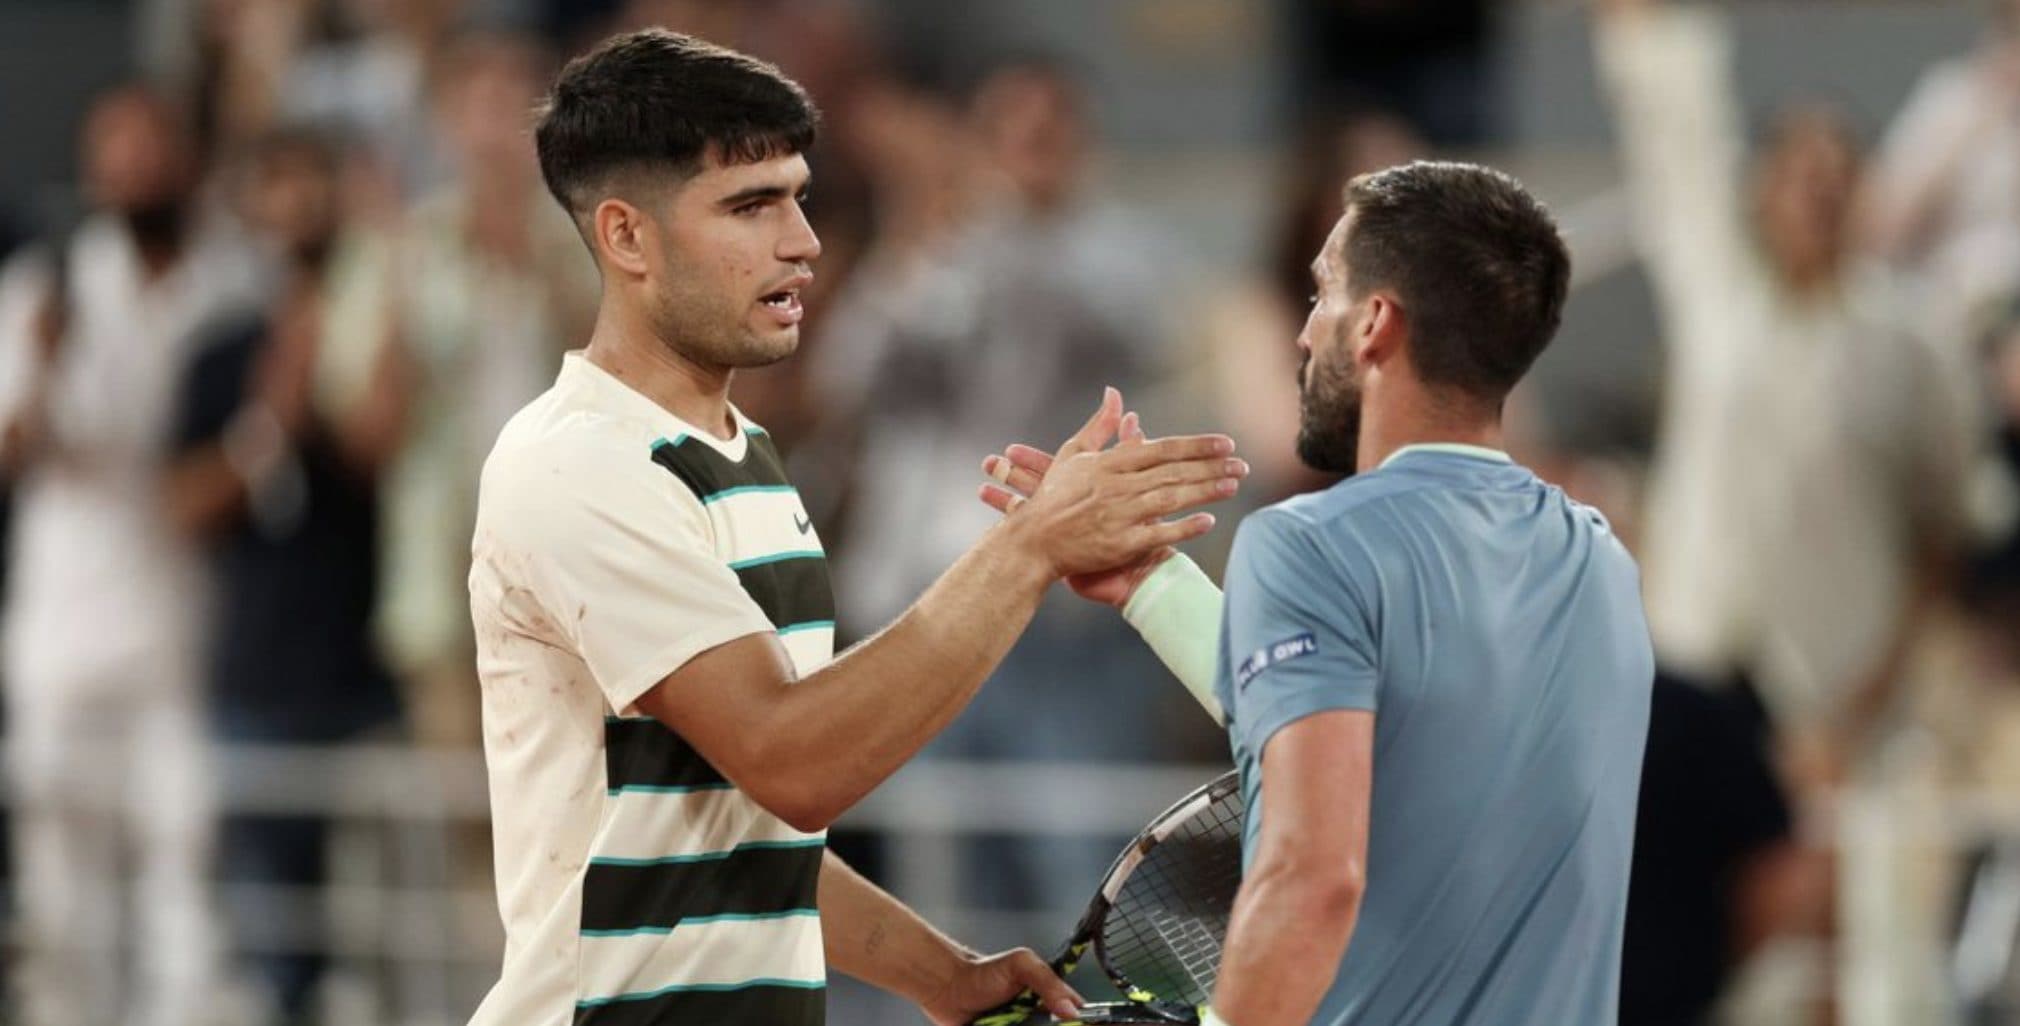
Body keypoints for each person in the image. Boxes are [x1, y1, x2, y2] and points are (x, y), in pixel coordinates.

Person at [464, 30, 1247, 1026]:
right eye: (751, 206)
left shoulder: (738, 451)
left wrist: (940, 972)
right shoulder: (582, 462)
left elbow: (739, 827)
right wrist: (1031, 546)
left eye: (799, 196)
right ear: (626, 238)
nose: (803, 241)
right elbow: (796, 764)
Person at [981, 160, 1653, 1025]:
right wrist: (1151, 585)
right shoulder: (1600, 561)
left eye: (1321, 294)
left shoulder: (1308, 544)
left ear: (1374, 323)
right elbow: (1388, 740)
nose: (1302, 335)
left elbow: (1313, 877)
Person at [0, 84, 259, 1026]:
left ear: (184, 162)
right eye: (117, 152)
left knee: (181, 856)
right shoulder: (46, 285)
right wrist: (41, 363)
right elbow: (12, 449)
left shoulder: (235, 286)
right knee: (59, 869)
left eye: (151, 148)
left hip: (181, 618)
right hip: (58, 625)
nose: (135, 168)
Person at [165, 126, 408, 1024]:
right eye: (278, 186)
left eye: (317, 185)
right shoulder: (222, 350)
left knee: (389, 943)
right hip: (259, 674)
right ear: (250, 207)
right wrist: (269, 419)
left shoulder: (388, 330)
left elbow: (384, 451)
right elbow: (183, 506)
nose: (299, 206)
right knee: (273, 948)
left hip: (374, 669)